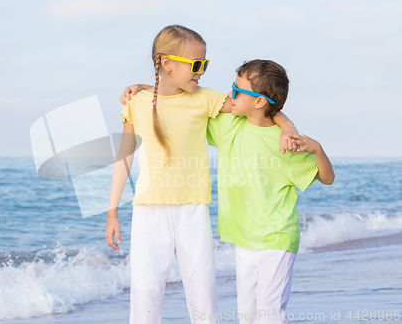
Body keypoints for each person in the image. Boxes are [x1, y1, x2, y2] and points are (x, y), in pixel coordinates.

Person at [106, 25, 297, 324]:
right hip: (148, 212)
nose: (202, 72)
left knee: (203, 298)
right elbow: (123, 159)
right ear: (166, 63)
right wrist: (111, 212)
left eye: (204, 64)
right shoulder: (137, 103)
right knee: (144, 296)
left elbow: (258, 103)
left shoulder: (205, 98)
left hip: (193, 211)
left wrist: (288, 127)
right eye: (196, 65)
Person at [206, 59, 335, 324]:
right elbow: (190, 101)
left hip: (277, 237)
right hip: (244, 237)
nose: (230, 93)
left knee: (269, 314)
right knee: (247, 315)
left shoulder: (284, 143)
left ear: (259, 102)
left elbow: (327, 178)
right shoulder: (228, 125)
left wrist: (318, 150)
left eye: (237, 89)